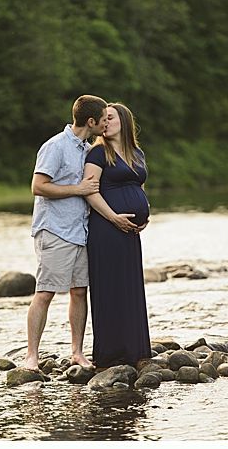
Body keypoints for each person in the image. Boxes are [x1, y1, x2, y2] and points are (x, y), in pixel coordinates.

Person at [25, 94, 107, 370]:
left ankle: (77, 353)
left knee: (79, 292)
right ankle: (31, 357)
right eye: (103, 119)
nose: (106, 124)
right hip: (54, 230)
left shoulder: (86, 150)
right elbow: (38, 186)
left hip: (79, 231)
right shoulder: (55, 146)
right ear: (91, 121)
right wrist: (78, 189)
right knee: (45, 292)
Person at [83, 102, 152, 368]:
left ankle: (134, 349)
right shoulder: (99, 153)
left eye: (110, 118)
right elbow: (90, 191)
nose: (105, 122)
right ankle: (111, 353)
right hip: (106, 228)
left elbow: (140, 186)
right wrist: (113, 217)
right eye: (103, 119)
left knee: (130, 286)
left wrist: (146, 212)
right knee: (110, 287)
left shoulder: (137, 153)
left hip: (131, 230)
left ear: (123, 121)